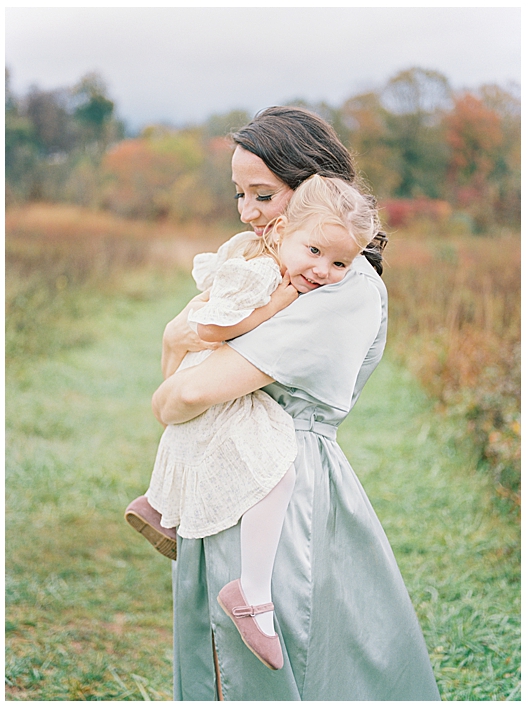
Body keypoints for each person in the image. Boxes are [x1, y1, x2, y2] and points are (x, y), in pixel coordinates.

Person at [151, 107, 439, 700]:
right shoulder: (268, 269)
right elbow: (182, 364)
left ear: (311, 189)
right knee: (216, 662)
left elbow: (189, 390)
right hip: (230, 472)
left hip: (283, 481)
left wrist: (174, 362)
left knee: (288, 666)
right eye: (239, 194)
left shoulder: (340, 284)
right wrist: (172, 350)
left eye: (263, 194)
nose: (249, 212)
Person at [130, 175, 380, 671]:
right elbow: (209, 334)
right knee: (268, 463)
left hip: (221, 383)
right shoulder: (265, 275)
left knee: (252, 452)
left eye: (340, 263)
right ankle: (236, 578)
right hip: (215, 375)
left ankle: (166, 508)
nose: (326, 272)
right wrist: (276, 305)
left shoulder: (329, 284)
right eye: (315, 253)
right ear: (288, 229)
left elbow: (190, 372)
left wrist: (175, 357)